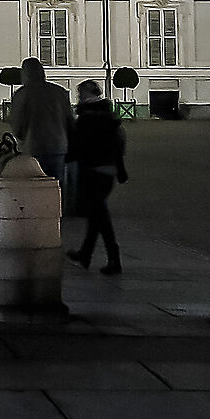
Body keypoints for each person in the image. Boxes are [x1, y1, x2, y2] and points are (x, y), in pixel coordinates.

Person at [67, 81, 128, 274]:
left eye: (80, 93)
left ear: (86, 95)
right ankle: (85, 253)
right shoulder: (110, 116)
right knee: (96, 214)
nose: (78, 96)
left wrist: (64, 158)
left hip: (91, 170)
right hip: (108, 171)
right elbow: (118, 145)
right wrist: (120, 169)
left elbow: (77, 146)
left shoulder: (86, 118)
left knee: (100, 216)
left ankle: (114, 258)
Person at [6, 58, 73, 192]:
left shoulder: (22, 94)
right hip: (58, 147)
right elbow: (69, 120)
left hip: (34, 146)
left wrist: (21, 138)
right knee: (56, 185)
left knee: (36, 187)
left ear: (25, 74)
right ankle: (57, 211)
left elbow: (18, 122)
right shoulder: (59, 92)